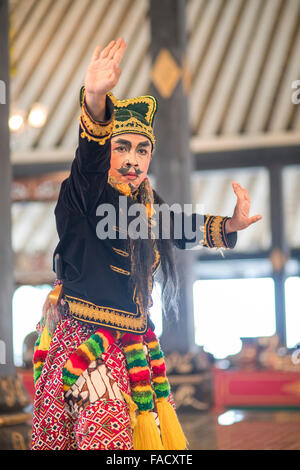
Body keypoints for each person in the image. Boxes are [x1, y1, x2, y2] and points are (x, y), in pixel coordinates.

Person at [31, 38, 262, 451]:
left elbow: (183, 225)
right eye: (121, 147)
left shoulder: (149, 205)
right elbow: (88, 157)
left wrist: (232, 224)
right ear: (106, 151)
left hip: (135, 345)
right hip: (85, 343)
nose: (133, 160)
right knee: (107, 436)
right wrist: (96, 99)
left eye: (142, 149)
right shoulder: (82, 193)